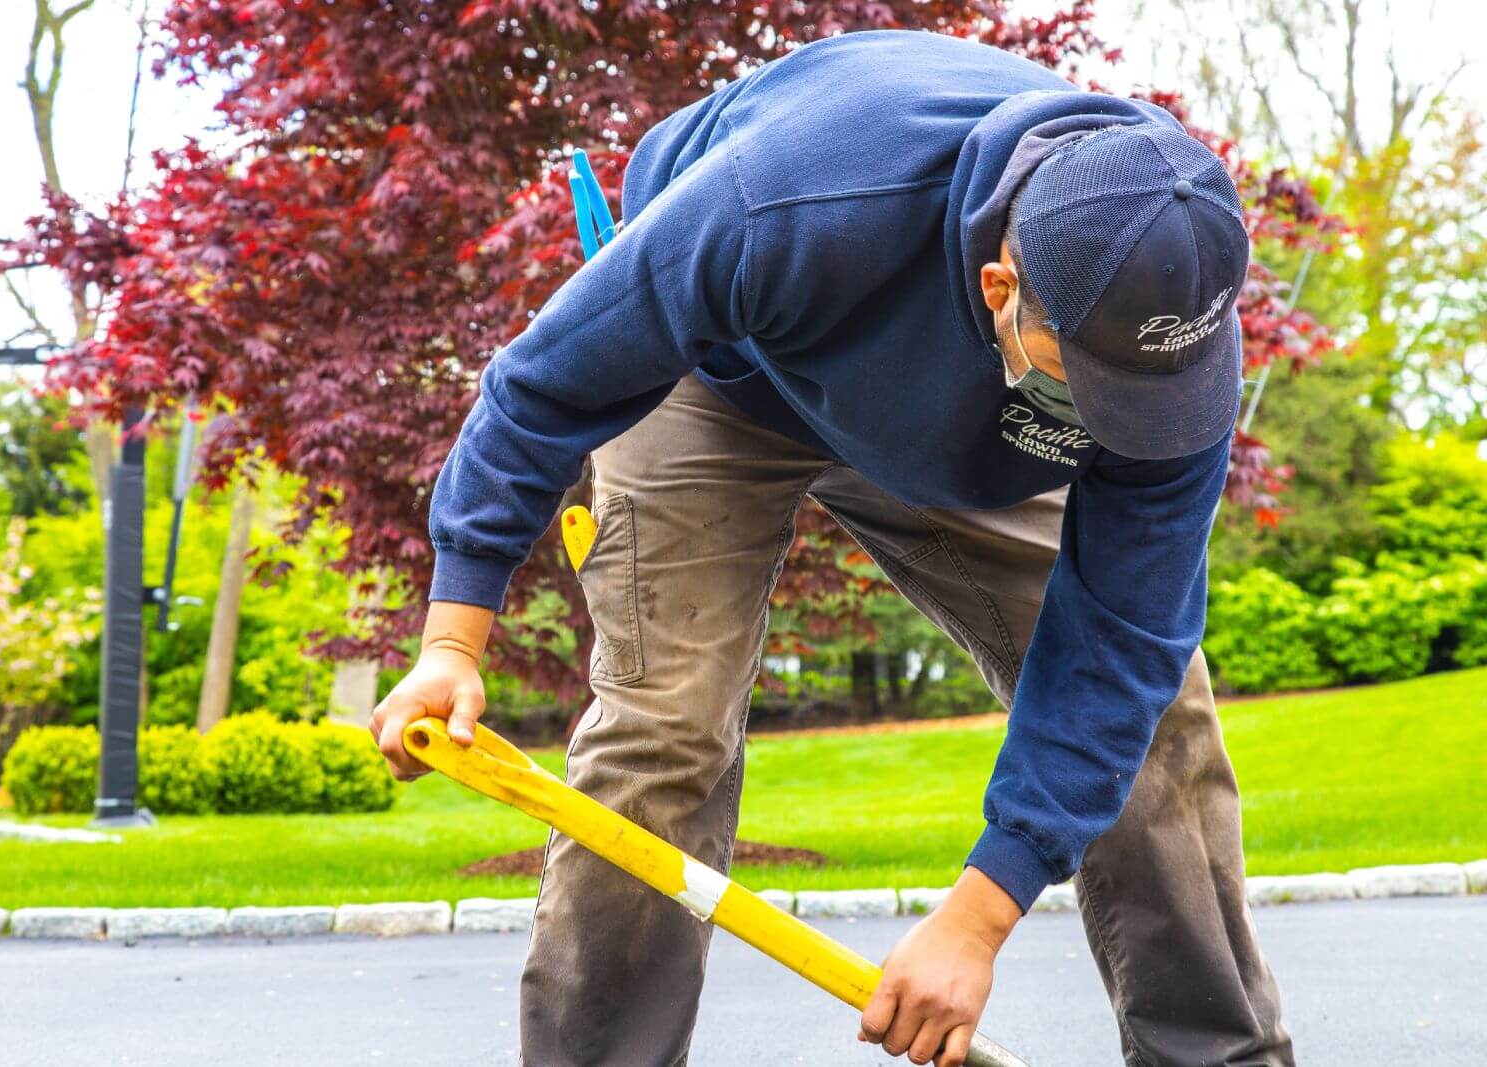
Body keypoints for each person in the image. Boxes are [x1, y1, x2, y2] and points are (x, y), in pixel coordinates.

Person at [371, 29, 1293, 1067]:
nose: (1127, 416)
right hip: (727, 381)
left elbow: (1119, 644)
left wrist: (980, 910)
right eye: (1089, 383)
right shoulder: (785, 203)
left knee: (1156, 718)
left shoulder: (1166, 330)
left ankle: (1217, 1058)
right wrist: (451, 643)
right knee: (662, 732)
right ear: (1002, 289)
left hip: (958, 434)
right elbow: (540, 388)